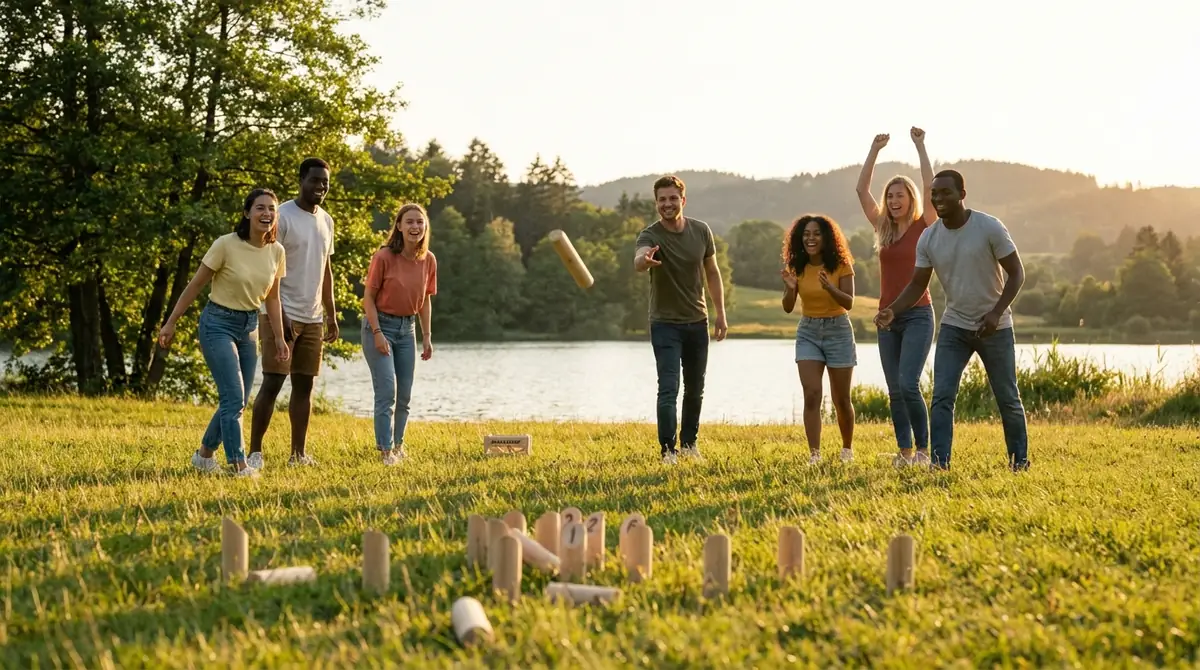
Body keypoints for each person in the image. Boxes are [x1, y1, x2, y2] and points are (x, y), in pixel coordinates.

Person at [874, 169, 1030, 471]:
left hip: (995, 327)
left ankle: (1019, 463)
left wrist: (996, 312)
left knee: (1007, 397)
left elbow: (1017, 273)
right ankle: (939, 464)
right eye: (934, 193)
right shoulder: (929, 238)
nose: (938, 198)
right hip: (954, 326)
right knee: (942, 396)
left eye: (945, 192)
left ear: (962, 194)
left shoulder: (989, 227)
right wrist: (894, 309)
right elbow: (918, 284)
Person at [157, 188, 290, 477]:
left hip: (250, 327)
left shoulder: (277, 251)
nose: (267, 213)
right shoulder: (225, 245)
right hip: (217, 323)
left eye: (272, 209)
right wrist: (171, 322)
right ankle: (239, 464)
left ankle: (204, 456)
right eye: (260, 208)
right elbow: (195, 285)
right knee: (233, 395)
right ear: (247, 213)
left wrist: (279, 337)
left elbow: (273, 298)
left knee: (239, 399)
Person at [248, 157, 338, 469]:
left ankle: (297, 455)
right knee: (272, 382)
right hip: (279, 314)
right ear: (301, 180)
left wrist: (331, 313)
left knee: (305, 386)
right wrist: (280, 315)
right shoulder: (282, 216)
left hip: (313, 317)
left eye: (324, 182)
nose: (320, 187)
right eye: (315, 180)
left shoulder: (326, 221)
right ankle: (255, 453)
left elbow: (326, 269)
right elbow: (268, 269)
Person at [855, 127, 937, 467]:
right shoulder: (882, 228)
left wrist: (920, 146)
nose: (893, 201)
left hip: (918, 314)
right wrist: (874, 151)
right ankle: (904, 453)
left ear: (911, 198)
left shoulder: (925, 225)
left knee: (908, 384)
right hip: (886, 317)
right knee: (893, 389)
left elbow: (932, 188)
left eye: (899, 195)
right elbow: (861, 190)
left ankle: (923, 451)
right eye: (889, 196)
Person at [633, 175, 728, 464]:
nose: (667, 204)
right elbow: (638, 260)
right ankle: (667, 450)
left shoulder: (701, 231)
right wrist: (644, 261)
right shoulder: (650, 236)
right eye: (662, 199)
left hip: (697, 322)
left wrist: (720, 313)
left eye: (673, 198)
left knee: (695, 389)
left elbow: (712, 273)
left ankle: (689, 444)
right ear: (656, 204)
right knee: (669, 387)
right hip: (664, 323)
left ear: (682, 201)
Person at [361, 203, 437, 466]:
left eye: (420, 222)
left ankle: (399, 445)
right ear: (399, 226)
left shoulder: (429, 260)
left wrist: (426, 336)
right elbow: (368, 299)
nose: (415, 227)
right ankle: (385, 451)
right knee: (387, 391)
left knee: (404, 394)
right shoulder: (383, 257)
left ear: (425, 227)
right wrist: (377, 332)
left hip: (407, 331)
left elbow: (425, 300)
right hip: (379, 326)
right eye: (410, 222)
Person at [780, 214, 858, 465]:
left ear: (826, 238)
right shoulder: (798, 267)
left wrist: (829, 288)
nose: (810, 238)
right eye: (805, 234)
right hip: (808, 332)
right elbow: (788, 307)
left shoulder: (842, 265)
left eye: (816, 234)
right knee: (812, 393)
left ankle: (847, 450)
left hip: (838, 331)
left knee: (841, 399)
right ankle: (815, 455)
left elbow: (848, 302)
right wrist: (791, 288)